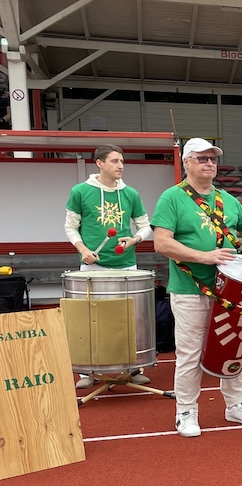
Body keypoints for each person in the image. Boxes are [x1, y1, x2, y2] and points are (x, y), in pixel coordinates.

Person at [151, 138, 242, 438]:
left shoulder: (226, 199)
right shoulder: (172, 198)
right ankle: (186, 411)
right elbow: (161, 243)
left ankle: (236, 404)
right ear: (186, 162)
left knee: (236, 347)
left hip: (230, 291)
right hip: (190, 289)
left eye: (213, 159)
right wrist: (204, 256)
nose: (209, 164)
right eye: (202, 158)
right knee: (190, 353)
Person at [65, 144, 153, 389]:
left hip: (127, 266)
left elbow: (145, 226)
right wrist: (83, 250)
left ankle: (133, 368)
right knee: (91, 319)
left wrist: (135, 239)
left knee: (129, 319)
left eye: (122, 161)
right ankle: (88, 370)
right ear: (100, 163)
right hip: (93, 268)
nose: (120, 165)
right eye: (115, 161)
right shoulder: (80, 191)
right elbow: (70, 227)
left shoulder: (131, 194)